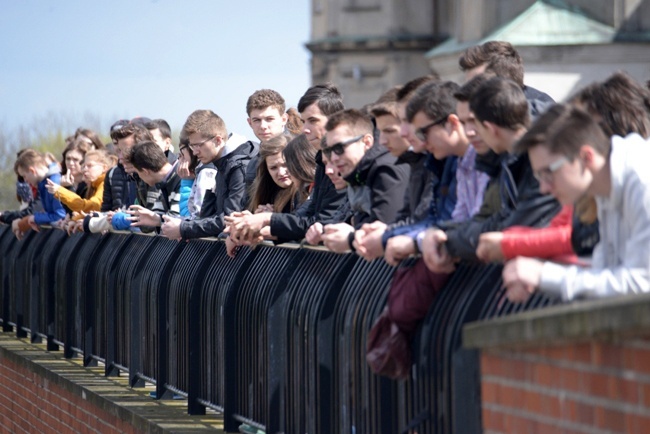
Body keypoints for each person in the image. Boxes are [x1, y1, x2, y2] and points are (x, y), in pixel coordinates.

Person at [502, 103, 650, 302]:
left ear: (586, 157)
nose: (543, 188)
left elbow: (642, 284)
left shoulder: (642, 179)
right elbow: (608, 271)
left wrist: (544, 275)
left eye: (548, 172)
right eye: (539, 176)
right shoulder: (603, 185)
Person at [419, 76, 560, 273]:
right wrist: (442, 234)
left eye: (472, 122)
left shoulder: (540, 153)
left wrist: (447, 240)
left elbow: (514, 226)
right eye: (463, 122)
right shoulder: (497, 159)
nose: (468, 132)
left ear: (490, 126)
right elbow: (490, 217)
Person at [225, 83, 348, 243]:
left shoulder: (341, 161)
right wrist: (263, 226)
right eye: (304, 121)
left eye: (313, 121)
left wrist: (268, 220)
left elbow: (321, 222)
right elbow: (305, 216)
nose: (305, 129)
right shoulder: (321, 161)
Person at [315, 108, 410, 253]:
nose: (333, 158)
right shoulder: (359, 172)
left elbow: (383, 230)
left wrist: (351, 235)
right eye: (331, 150)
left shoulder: (385, 169)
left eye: (339, 148)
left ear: (366, 142)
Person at [160, 109, 257, 240]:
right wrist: (186, 227)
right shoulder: (222, 162)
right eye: (192, 146)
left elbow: (231, 218)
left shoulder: (238, 166)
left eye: (198, 145)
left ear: (218, 140)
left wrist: (184, 229)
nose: (194, 152)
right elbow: (212, 215)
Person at [126, 140, 182, 229]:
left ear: (145, 172)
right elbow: (158, 215)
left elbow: (176, 219)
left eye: (137, 173)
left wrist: (157, 220)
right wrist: (155, 219)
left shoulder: (181, 177)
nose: (139, 177)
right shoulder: (164, 181)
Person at [11, 150, 66, 240]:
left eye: (24, 176)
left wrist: (34, 218)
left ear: (32, 171)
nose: (25, 181)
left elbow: (60, 216)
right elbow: (50, 213)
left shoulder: (53, 182)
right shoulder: (43, 183)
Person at [46, 149, 113, 219]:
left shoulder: (104, 184)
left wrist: (60, 191)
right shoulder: (95, 186)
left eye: (89, 166)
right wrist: (73, 220)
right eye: (84, 166)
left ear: (104, 168)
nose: (84, 169)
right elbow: (88, 213)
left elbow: (91, 207)